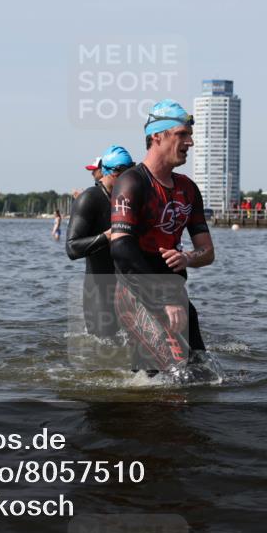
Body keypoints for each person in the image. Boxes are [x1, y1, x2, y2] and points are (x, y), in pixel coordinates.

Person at [110, 99, 216, 376]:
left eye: (190, 135)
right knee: (163, 379)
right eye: (183, 134)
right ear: (157, 136)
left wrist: (187, 257)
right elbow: (121, 248)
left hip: (175, 294)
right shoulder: (132, 182)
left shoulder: (188, 189)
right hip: (140, 295)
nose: (190, 142)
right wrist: (162, 299)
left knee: (201, 375)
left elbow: (207, 252)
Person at [66, 145, 135, 338]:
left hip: (129, 288)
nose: (131, 177)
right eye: (126, 172)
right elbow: (72, 248)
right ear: (112, 173)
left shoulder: (129, 198)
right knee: (105, 350)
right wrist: (107, 236)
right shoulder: (89, 199)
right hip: (99, 290)